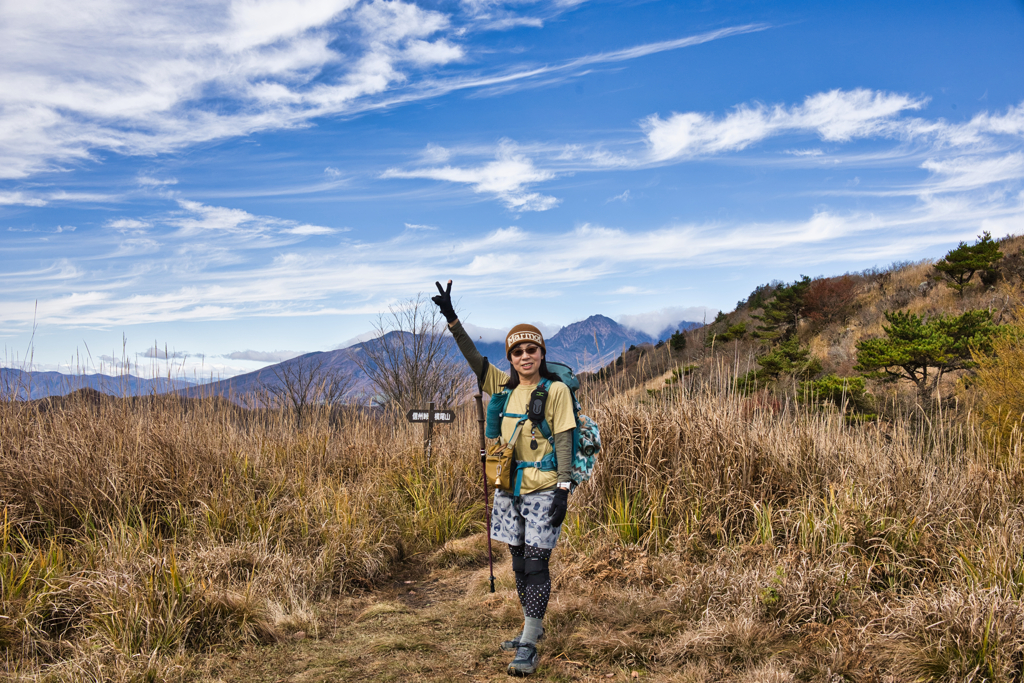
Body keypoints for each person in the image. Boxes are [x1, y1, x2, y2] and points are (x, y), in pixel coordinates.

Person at [432, 280, 573, 677]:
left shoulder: (556, 391)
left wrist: (564, 487)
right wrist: (452, 318)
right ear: (510, 357)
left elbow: (564, 440)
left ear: (541, 353)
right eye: (517, 350)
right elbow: (475, 361)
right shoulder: (503, 386)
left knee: (536, 564)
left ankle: (528, 642)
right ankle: (533, 626)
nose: (525, 355)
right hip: (508, 490)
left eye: (532, 349)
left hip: (544, 488)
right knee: (516, 559)